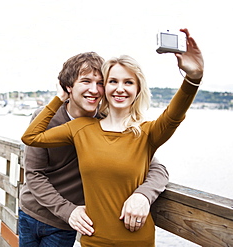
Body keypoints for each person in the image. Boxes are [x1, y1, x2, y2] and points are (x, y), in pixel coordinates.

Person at [21, 28, 204, 246]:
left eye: (127, 82)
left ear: (138, 90)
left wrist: (193, 78)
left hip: (85, 225)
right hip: (41, 213)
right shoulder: (77, 126)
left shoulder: (143, 132)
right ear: (69, 86)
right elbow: (31, 147)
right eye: (112, 81)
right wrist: (59, 97)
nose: (95, 89)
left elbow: (171, 123)